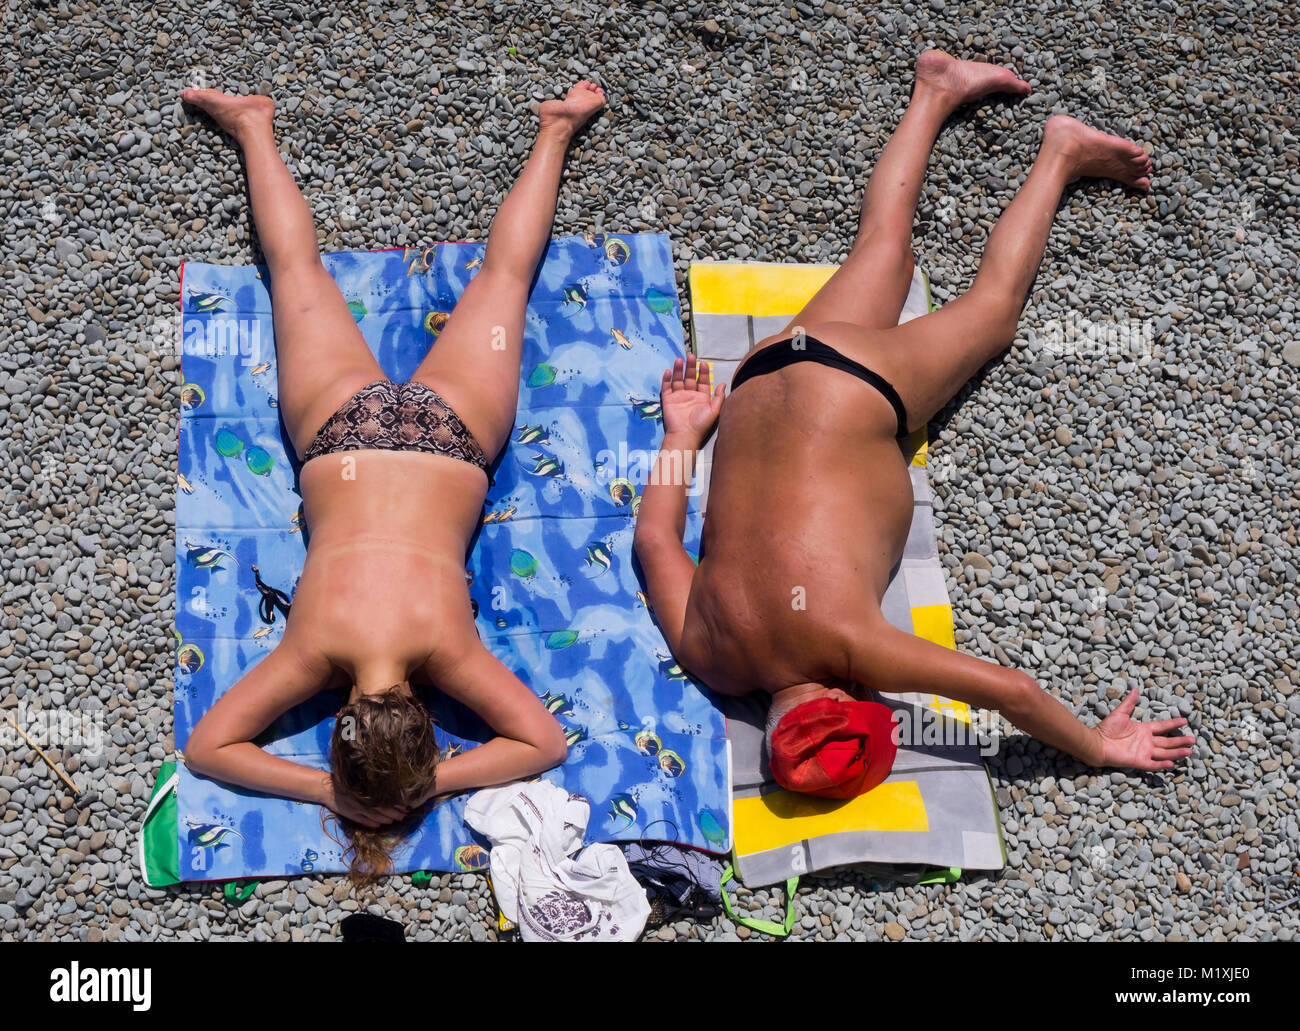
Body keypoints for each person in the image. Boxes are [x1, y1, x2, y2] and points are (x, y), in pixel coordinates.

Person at [633, 51, 1192, 799]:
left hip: (852, 389)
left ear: (842, 703)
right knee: (883, 251)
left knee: (992, 314)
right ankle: (935, 88)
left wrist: (1095, 747)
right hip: (762, 380)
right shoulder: (710, 653)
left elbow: (1012, 692)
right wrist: (681, 435)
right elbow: (652, 538)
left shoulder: (856, 647)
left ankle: (1061, 152)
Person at [180, 81, 607, 878]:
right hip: (345, 433)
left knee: (503, 279)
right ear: (343, 717)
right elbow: (209, 747)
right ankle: (253, 128)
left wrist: (428, 780)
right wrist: (330, 789)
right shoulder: (315, 649)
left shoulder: (446, 649)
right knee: (294, 269)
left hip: (448, 442)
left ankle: (555, 130)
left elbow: (540, 741)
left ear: (425, 718)